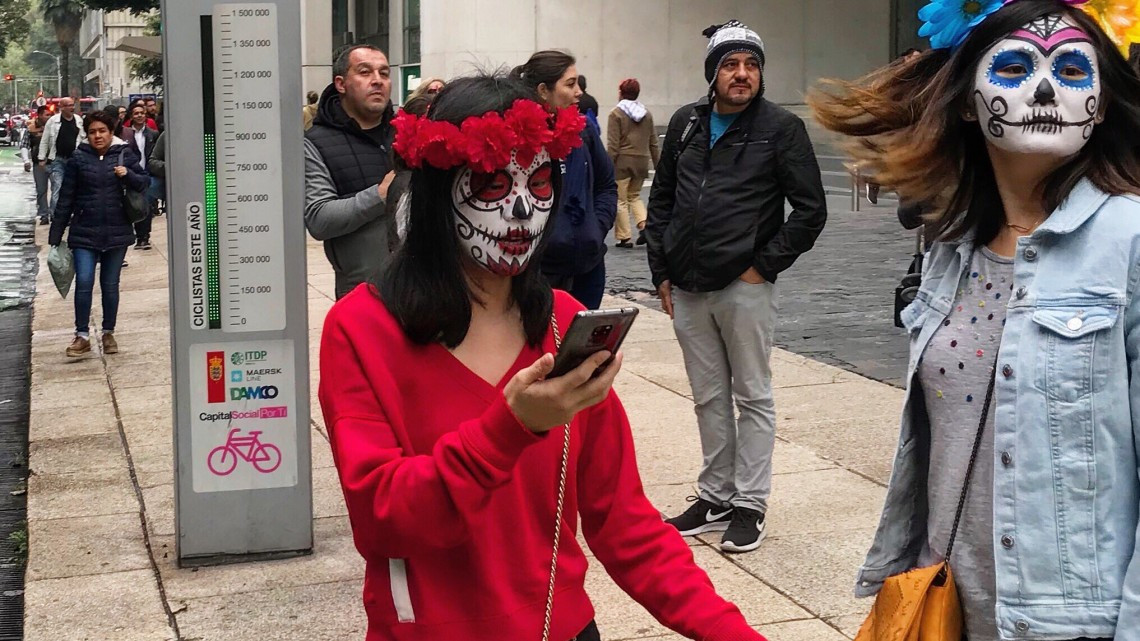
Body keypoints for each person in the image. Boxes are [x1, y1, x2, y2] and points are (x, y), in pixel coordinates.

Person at [319, 71, 768, 641]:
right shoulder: (361, 328)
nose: (519, 211)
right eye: (489, 184)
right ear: (437, 188)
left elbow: (625, 525)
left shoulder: (561, 321)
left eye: (537, 184)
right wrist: (510, 429)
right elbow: (384, 519)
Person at [810, 0, 1140, 638]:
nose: (1046, 88)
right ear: (966, 100)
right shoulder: (952, 250)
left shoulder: (1130, 243)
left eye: (1073, 71)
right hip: (949, 606)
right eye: (1016, 67)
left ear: (1100, 101)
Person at [648, 20, 827, 554]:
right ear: (713, 73)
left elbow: (811, 210)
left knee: (752, 394)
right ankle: (715, 496)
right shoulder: (685, 124)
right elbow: (661, 203)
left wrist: (763, 265)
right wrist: (660, 270)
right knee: (707, 396)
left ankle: (750, 503)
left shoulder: (780, 128)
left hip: (743, 285)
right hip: (686, 285)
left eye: (751, 65)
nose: (742, 74)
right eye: (730, 64)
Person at [512, 51, 616, 309]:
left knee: (583, 348)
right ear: (543, 91)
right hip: (539, 273)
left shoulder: (584, 129)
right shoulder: (519, 137)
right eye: (570, 84)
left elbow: (606, 186)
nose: (579, 92)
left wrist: (596, 227)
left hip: (589, 270)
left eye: (577, 83)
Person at [47, 110, 148, 358]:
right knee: (83, 282)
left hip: (117, 230)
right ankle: (82, 336)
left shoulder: (124, 154)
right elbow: (66, 198)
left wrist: (129, 174)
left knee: (110, 285)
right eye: (92, 132)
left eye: (102, 131)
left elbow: (144, 182)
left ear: (110, 132)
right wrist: (56, 234)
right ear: (87, 134)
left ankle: (108, 333)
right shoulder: (78, 159)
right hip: (84, 232)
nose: (97, 136)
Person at [304, 44, 397, 299]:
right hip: (361, 294)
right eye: (365, 72)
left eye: (384, 73)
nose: (377, 81)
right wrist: (379, 195)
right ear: (341, 83)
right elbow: (319, 218)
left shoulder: (408, 134)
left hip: (423, 289)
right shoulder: (315, 143)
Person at [607, 78, 659, 248]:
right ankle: (644, 224)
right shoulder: (647, 114)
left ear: (621, 93)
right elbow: (653, 141)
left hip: (622, 162)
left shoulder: (616, 114)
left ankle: (624, 236)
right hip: (642, 161)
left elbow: (613, 145)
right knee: (634, 196)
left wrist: (608, 165)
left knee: (620, 200)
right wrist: (658, 164)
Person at [38, 97, 85, 220]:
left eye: (72, 105)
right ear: (62, 108)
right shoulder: (53, 121)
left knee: (75, 188)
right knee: (57, 187)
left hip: (74, 160)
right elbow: (45, 140)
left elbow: (83, 139)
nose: (72, 107)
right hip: (58, 159)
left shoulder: (78, 120)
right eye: (68, 105)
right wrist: (42, 158)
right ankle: (56, 215)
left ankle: (72, 214)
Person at [123, 102, 159, 249]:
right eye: (136, 113)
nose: (139, 116)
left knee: (146, 205)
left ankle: (143, 236)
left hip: (147, 174)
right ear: (131, 116)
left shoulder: (152, 134)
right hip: (130, 174)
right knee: (132, 205)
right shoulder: (126, 134)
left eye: (142, 113)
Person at [20, 105, 51, 225]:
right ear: (39, 115)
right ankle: (44, 214)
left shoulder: (54, 127)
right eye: (46, 115)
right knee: (41, 190)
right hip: (39, 164)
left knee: (58, 189)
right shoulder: (31, 129)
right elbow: (24, 145)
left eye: (50, 115)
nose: (48, 117)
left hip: (55, 163)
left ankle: (55, 213)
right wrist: (26, 161)